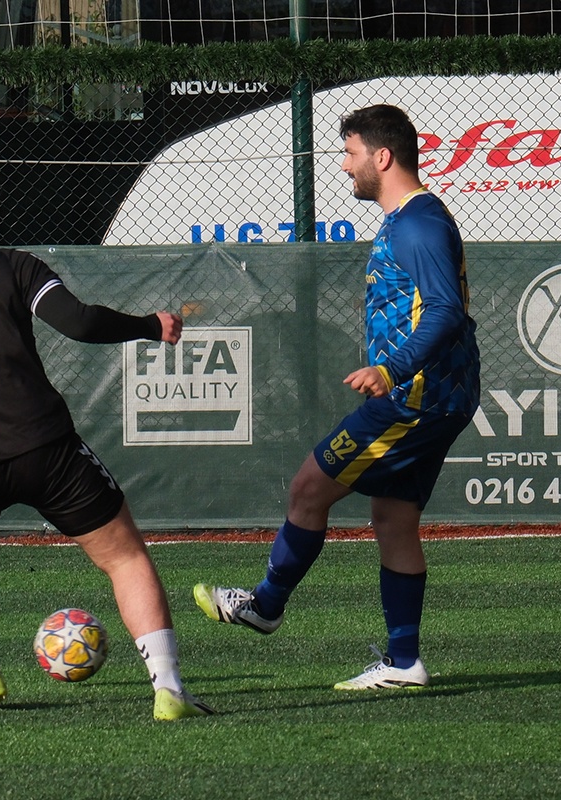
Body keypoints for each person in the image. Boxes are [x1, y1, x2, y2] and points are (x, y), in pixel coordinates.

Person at [0, 173, 213, 721]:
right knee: (124, 557)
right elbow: (78, 322)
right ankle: (168, 688)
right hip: (43, 448)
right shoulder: (12, 265)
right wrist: (151, 325)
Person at [193, 104, 480, 690]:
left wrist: (390, 368)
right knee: (393, 518)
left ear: (382, 156)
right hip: (433, 395)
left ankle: (266, 605)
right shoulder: (408, 218)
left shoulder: (418, 223)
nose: (345, 166)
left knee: (308, 488)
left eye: (350, 153)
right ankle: (404, 663)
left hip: (414, 398)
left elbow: (446, 310)